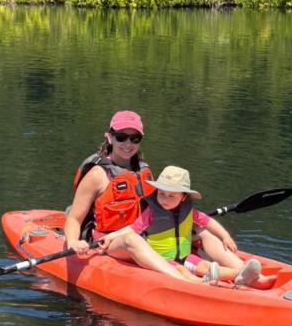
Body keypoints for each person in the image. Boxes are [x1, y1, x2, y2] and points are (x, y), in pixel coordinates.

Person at [64, 110, 192, 281]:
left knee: (202, 230)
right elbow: (74, 218)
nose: (128, 144)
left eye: (135, 138)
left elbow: (157, 209)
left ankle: (237, 272)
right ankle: (182, 280)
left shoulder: (144, 170)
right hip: (108, 242)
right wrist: (73, 242)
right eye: (121, 137)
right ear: (109, 137)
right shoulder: (97, 175)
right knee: (131, 239)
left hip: (143, 234)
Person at [99, 165, 276, 289]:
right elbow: (132, 229)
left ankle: (246, 276)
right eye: (162, 194)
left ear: (183, 197)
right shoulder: (151, 212)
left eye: (171, 196)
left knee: (205, 266)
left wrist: (225, 236)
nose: (165, 200)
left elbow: (208, 221)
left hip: (184, 256)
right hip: (163, 259)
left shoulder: (188, 210)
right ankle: (203, 283)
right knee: (183, 271)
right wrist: (111, 236)